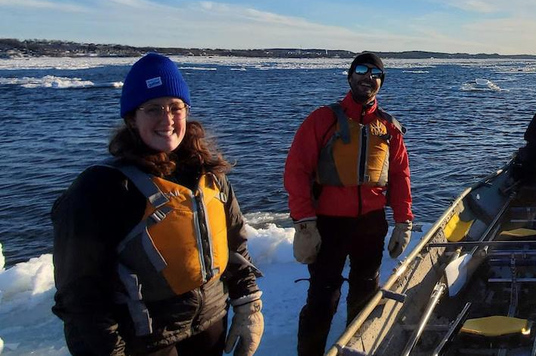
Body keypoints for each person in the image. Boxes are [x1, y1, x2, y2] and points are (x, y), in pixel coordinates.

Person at [52, 53, 264, 356]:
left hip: (210, 325)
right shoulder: (100, 190)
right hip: (145, 339)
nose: (167, 120)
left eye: (175, 107)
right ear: (131, 119)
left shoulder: (209, 177)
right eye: (153, 109)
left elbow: (235, 245)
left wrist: (248, 303)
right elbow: (80, 295)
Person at [284, 52, 413, 356]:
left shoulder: (389, 128)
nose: (368, 77)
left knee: (366, 291)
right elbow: (296, 170)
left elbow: (400, 176)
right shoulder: (323, 119)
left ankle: (356, 348)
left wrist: (403, 221)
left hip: (371, 223)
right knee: (322, 297)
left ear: (381, 82)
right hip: (328, 224)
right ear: (350, 75)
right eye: (361, 69)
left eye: (376, 73)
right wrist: (304, 222)